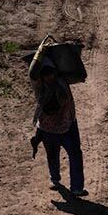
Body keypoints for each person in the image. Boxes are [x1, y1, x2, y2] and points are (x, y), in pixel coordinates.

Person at [29, 42, 86, 197]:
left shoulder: (62, 79)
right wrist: (41, 51)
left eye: (51, 72)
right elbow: (32, 72)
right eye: (45, 73)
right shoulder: (39, 85)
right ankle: (55, 179)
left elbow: (80, 72)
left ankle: (77, 187)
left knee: (75, 155)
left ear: (56, 71)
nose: (49, 76)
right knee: (52, 155)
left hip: (68, 124)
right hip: (49, 128)